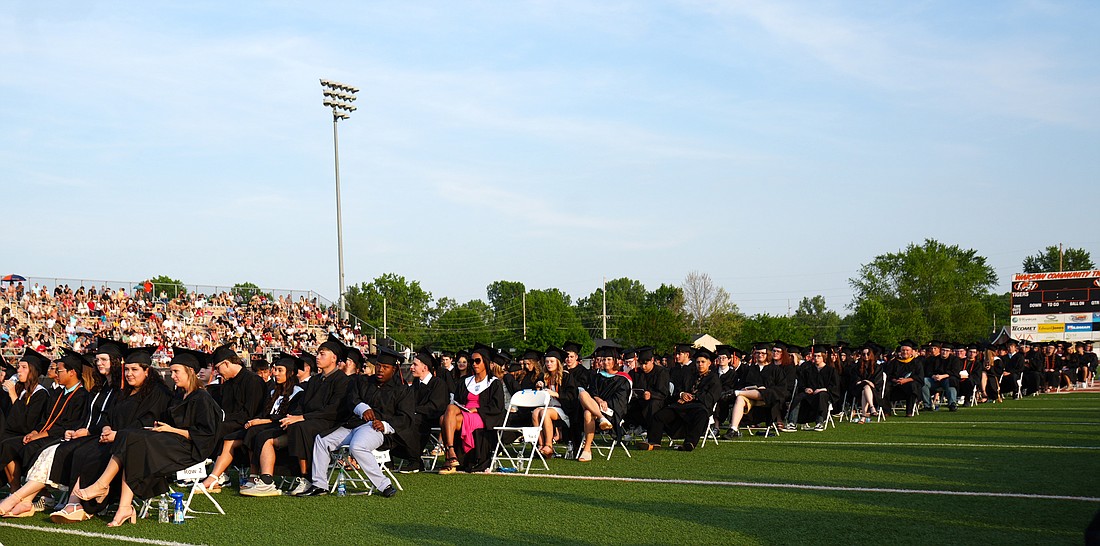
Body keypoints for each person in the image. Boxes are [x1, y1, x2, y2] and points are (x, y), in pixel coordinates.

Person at [74, 347, 222, 527]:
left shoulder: (202, 398)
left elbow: (205, 434)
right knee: (132, 439)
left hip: (189, 448)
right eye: (171, 371)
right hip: (169, 441)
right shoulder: (179, 395)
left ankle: (103, 485)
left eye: (176, 371)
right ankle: (124, 507)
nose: (172, 376)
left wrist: (171, 430)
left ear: (190, 372)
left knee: (132, 438)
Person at [46, 346, 173, 523]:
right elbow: (109, 415)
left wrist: (118, 434)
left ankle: (82, 505)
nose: (129, 374)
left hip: (136, 443)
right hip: (115, 438)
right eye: (127, 369)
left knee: (96, 455)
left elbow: (148, 422)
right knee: (83, 450)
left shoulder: (159, 393)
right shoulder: (125, 391)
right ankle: (74, 500)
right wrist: (106, 428)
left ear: (147, 371)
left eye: (135, 370)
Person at [297, 347, 412, 497]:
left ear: (394, 370)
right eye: (378, 365)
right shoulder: (363, 381)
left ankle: (385, 485)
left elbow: (406, 417)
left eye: (385, 367)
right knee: (321, 440)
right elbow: (351, 399)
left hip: (375, 429)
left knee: (357, 447)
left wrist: (384, 425)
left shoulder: (402, 390)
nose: (380, 370)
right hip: (353, 424)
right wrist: (362, 408)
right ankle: (320, 484)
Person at [242, 339, 350, 497]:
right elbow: (302, 404)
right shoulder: (315, 380)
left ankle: (306, 477)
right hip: (308, 420)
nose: (317, 357)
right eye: (318, 354)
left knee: (300, 427)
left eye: (322, 354)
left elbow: (333, 410)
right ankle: (266, 480)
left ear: (334, 358)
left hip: (329, 422)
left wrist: (302, 417)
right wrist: (293, 416)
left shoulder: (342, 380)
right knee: (270, 433)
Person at [0, 350, 88, 517]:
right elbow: (46, 419)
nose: (56, 373)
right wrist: (34, 432)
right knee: (9, 444)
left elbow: (69, 425)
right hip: (45, 433)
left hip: (61, 437)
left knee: (31, 448)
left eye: (59, 370)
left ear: (72, 373)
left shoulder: (81, 396)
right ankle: (17, 492)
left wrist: (40, 435)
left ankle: (33, 496)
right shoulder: (60, 393)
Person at [202, 351, 303, 492]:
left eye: (280, 370)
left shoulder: (298, 392)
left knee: (252, 431)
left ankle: (262, 479)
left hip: (280, 427)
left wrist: (259, 421)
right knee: (229, 438)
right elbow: (265, 411)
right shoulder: (274, 392)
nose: (275, 374)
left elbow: (288, 416)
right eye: (275, 370)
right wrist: (258, 420)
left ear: (290, 373)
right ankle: (215, 476)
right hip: (263, 424)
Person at [439, 344, 506, 474]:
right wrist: (464, 408)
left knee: (443, 419)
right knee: (451, 407)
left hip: (482, 415)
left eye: (477, 361)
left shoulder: (494, 383)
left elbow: (497, 407)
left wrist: (477, 410)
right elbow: (457, 401)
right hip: (464, 411)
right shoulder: (465, 381)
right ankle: (452, 452)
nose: (474, 364)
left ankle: (449, 456)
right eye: (472, 361)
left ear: (485, 362)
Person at [0, 348, 61, 491]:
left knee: (6, 444)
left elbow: (27, 424)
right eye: (18, 367)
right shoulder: (22, 391)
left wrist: (14, 396)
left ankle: (15, 490)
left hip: (29, 434)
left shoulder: (41, 394)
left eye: (23, 368)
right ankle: (14, 489)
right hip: (15, 432)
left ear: (33, 371)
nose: (18, 371)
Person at [644, 347, 722, 451]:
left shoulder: (714, 379)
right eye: (698, 362)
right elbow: (677, 389)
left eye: (703, 362)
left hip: (699, 407)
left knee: (702, 415)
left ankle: (689, 443)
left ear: (709, 363)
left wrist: (694, 397)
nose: (700, 364)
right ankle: (654, 442)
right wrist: (682, 394)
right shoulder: (689, 375)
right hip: (681, 406)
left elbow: (711, 397)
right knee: (659, 415)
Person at [392, 350, 448, 473]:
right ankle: (394, 455)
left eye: (415, 365)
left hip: (431, 419)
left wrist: (413, 410)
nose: (411, 367)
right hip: (416, 417)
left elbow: (436, 406)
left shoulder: (438, 384)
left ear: (425, 367)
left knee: (413, 421)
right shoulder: (416, 384)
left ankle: (415, 460)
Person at [573, 346, 631, 461]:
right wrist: (599, 400)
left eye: (609, 359)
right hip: (597, 409)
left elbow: (621, 401)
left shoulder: (623, 379)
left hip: (612, 411)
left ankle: (587, 449)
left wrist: (606, 403)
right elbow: (592, 393)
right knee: (583, 395)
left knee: (588, 413)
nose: (606, 362)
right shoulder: (597, 377)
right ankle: (600, 420)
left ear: (615, 361)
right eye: (604, 359)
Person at [209, 343, 266, 446]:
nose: (217, 372)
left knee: (216, 427)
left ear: (226, 363)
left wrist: (224, 417)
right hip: (231, 421)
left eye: (218, 368)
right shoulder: (228, 384)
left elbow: (250, 413)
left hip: (245, 424)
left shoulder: (253, 381)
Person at [531, 346, 576, 457]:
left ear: (558, 363)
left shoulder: (566, 376)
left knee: (544, 412)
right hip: (548, 406)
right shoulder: (544, 376)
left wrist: (556, 394)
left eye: (552, 361)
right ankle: (540, 445)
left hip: (563, 408)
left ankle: (549, 445)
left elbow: (572, 395)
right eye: (547, 362)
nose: (549, 364)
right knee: (536, 412)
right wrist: (538, 387)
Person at [786, 346, 839, 431]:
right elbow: (802, 384)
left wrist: (823, 389)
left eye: (819, 356)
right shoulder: (808, 370)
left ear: (823, 357)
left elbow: (835, 387)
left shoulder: (831, 370)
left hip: (824, 394)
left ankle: (819, 422)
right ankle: (792, 422)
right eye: (815, 356)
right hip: (810, 394)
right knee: (799, 397)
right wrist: (805, 389)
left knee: (821, 396)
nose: (816, 358)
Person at [885, 340, 923, 416]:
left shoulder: (917, 363)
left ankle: (909, 411)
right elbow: (888, 375)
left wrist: (906, 380)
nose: (905, 352)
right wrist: (895, 380)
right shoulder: (894, 362)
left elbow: (920, 377)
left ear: (912, 352)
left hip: (909, 386)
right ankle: (887, 411)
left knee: (912, 386)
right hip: (895, 386)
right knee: (886, 386)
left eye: (907, 350)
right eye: (903, 350)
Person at [851, 343, 885, 423]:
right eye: (864, 354)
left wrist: (866, 382)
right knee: (865, 387)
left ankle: (863, 416)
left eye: (868, 354)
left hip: (874, 392)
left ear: (871, 355)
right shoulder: (857, 367)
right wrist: (866, 382)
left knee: (865, 389)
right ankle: (872, 407)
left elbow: (876, 383)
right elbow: (856, 381)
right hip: (857, 391)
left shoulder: (877, 367)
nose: (866, 356)